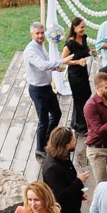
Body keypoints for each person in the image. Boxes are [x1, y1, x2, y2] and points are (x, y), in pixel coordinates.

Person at [23, 20, 65, 158]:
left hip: (46, 87)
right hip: (37, 90)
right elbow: (42, 65)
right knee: (43, 120)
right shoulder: (30, 50)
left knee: (57, 113)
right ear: (32, 34)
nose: (40, 36)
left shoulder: (41, 46)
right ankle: (40, 149)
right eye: (37, 33)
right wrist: (61, 61)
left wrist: (55, 68)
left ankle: (48, 139)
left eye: (42, 33)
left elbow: (46, 64)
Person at [41, 125, 86, 213]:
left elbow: (67, 181)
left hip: (74, 211)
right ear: (66, 145)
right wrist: (79, 181)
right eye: (74, 139)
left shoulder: (63, 156)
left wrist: (79, 193)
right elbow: (60, 196)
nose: (76, 141)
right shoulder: (52, 168)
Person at [61, 15, 94, 130]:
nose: (83, 29)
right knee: (79, 99)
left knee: (87, 95)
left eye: (84, 27)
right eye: (81, 27)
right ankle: (81, 126)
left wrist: (91, 52)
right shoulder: (70, 44)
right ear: (74, 27)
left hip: (83, 72)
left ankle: (78, 122)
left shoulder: (83, 38)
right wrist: (77, 62)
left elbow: (85, 51)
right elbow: (63, 60)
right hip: (75, 75)